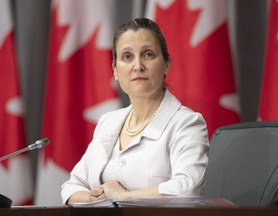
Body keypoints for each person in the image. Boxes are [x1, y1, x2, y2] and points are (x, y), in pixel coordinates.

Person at [61, 18, 210, 205]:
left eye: (148, 54)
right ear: (115, 70)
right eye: (127, 56)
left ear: (166, 64)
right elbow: (71, 187)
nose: (138, 65)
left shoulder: (186, 123)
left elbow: (187, 188)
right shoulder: (108, 122)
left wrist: (121, 197)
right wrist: (96, 197)